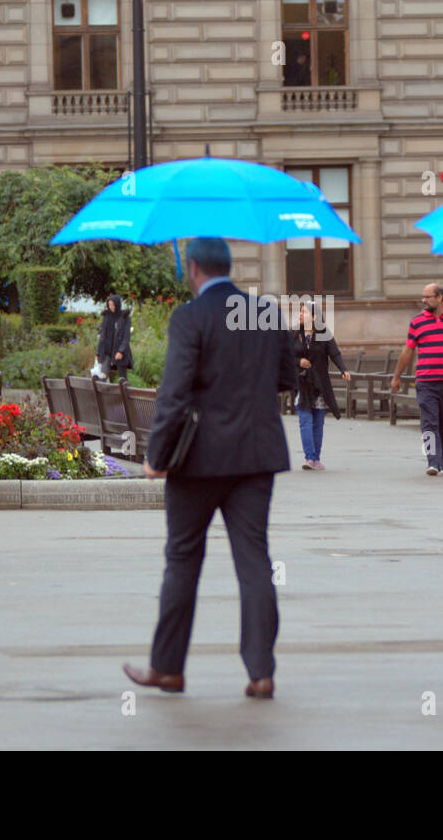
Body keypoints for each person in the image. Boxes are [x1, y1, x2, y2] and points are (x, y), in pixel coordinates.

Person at [123, 237, 298, 699]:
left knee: (182, 559)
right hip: (256, 456)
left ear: (194, 268)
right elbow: (286, 378)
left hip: (198, 459)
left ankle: (168, 669)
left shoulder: (189, 317)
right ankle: (261, 672)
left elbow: (174, 393)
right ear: (228, 266)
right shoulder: (264, 312)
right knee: (254, 560)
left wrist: (156, 458)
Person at [390, 282, 443, 476]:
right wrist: (397, 376)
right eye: (423, 297)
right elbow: (408, 350)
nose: (424, 301)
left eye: (428, 297)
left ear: (440, 298)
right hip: (426, 381)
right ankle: (432, 461)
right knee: (429, 422)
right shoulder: (417, 322)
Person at [291, 300, 351, 470]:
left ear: (315, 316)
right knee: (305, 420)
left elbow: (335, 353)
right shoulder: (294, 333)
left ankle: (316, 458)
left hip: (319, 384)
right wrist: (298, 361)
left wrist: (343, 369)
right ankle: (309, 458)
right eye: (300, 311)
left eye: (304, 312)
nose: (300, 314)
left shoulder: (324, 333)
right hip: (302, 383)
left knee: (317, 421)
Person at [95, 294, 134, 381]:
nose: (111, 307)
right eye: (109, 305)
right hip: (107, 351)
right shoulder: (106, 317)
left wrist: (121, 351)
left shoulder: (125, 317)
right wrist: (98, 352)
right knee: (103, 375)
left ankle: (124, 394)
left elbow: (126, 337)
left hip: (120, 352)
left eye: (113, 305)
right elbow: (102, 336)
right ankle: (101, 392)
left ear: (117, 304)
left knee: (122, 378)